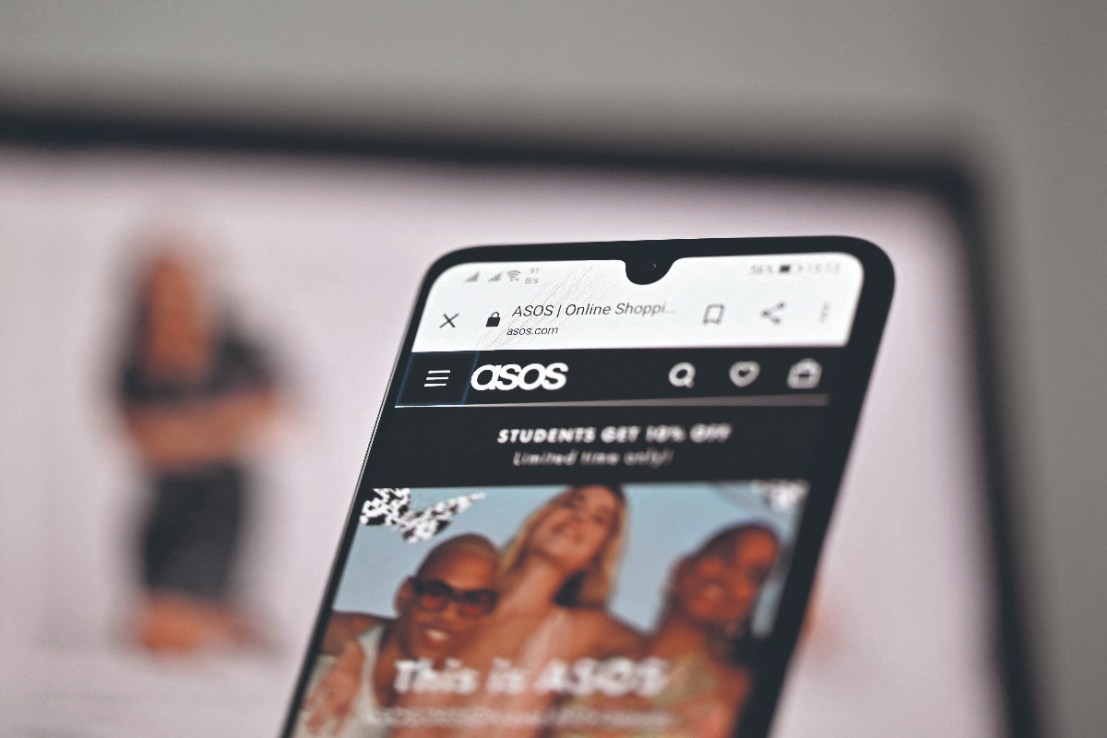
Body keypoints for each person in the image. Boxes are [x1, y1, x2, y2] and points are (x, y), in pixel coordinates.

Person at [116, 243, 280, 653]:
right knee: (156, 630)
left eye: (179, 285)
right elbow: (145, 438)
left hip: (221, 500)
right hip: (165, 501)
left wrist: (184, 433)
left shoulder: (235, 347)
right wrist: (217, 427)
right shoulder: (135, 356)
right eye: (159, 288)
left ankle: (227, 624)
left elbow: (274, 417)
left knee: (181, 626)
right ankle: (228, 624)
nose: (170, 298)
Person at [552, 523, 780, 738]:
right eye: (725, 555)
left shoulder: (738, 693)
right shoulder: (595, 647)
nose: (728, 576)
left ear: (754, 603)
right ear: (683, 565)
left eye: (752, 576)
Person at [297, 534, 501, 738]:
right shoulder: (326, 655)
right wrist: (350, 650)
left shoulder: (465, 708)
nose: (448, 614)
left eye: (473, 602)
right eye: (435, 593)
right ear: (405, 594)